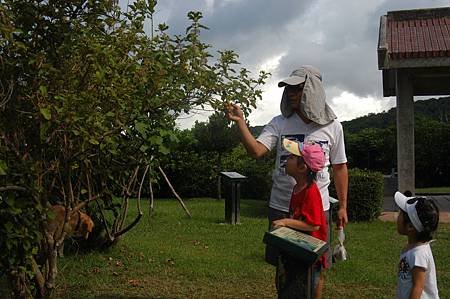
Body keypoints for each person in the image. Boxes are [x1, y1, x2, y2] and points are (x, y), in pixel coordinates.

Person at [226, 65, 348, 265]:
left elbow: (340, 168)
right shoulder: (279, 122)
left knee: (315, 268)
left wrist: (343, 206)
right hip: (281, 207)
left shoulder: (333, 127)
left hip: (316, 211)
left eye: (297, 88)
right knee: (282, 266)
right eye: (288, 89)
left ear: (313, 91)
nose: (291, 93)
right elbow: (256, 150)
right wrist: (240, 122)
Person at [272, 138, 327, 298]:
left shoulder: (310, 191)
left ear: (302, 167)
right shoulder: (297, 187)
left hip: (311, 252)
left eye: (291, 157)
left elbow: (313, 225)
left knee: (309, 285)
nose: (287, 159)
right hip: (300, 249)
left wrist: (286, 222)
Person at [394, 191, 440, 299]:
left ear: (410, 226)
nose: (397, 216)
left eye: (400, 213)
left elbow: (418, 287)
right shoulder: (413, 249)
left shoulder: (418, 254)